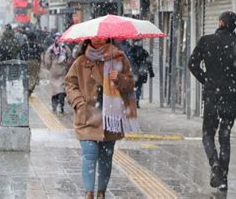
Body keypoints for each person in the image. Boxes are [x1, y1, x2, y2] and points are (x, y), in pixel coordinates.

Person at [189, 11, 236, 191]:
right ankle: (223, 178)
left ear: (220, 23)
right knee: (224, 136)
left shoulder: (206, 41)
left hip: (211, 94)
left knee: (208, 134)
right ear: (234, 25)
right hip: (231, 96)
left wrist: (206, 80)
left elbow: (192, 64)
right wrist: (234, 83)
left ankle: (214, 163)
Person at [65, 38, 136, 199]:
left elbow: (130, 83)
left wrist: (119, 78)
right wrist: (79, 102)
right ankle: (89, 193)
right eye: (94, 36)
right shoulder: (81, 61)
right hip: (88, 116)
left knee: (106, 157)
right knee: (89, 153)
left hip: (111, 115)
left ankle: (101, 193)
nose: (98, 39)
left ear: (108, 37)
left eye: (101, 36)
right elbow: (70, 84)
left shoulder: (118, 58)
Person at [44, 33, 72, 113]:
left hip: (53, 71)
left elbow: (47, 62)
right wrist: (66, 65)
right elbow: (69, 59)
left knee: (54, 90)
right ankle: (61, 104)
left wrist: (49, 67)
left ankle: (54, 107)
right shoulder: (65, 48)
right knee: (61, 88)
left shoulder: (50, 49)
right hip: (62, 70)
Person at [129, 39, 154, 108]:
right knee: (138, 87)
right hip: (141, 73)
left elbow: (128, 62)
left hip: (133, 73)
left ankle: (133, 100)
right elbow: (149, 62)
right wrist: (151, 72)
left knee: (133, 87)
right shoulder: (144, 52)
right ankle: (136, 100)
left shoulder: (130, 51)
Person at [26, 31, 45, 96]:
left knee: (27, 76)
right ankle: (30, 89)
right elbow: (42, 50)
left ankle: (27, 88)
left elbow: (22, 52)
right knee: (34, 76)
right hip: (36, 61)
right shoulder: (37, 45)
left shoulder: (26, 44)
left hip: (27, 61)